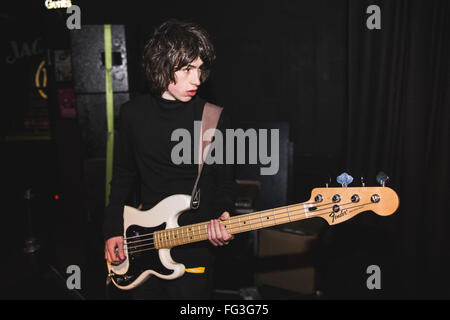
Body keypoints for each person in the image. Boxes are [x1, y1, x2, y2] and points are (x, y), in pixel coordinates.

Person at [103, 19, 236, 300]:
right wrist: (113, 230)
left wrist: (224, 218)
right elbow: (123, 176)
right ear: (162, 65)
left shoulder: (213, 117)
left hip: (194, 248)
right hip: (142, 242)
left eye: (199, 70)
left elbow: (225, 185)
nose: (197, 80)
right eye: (187, 69)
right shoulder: (132, 115)